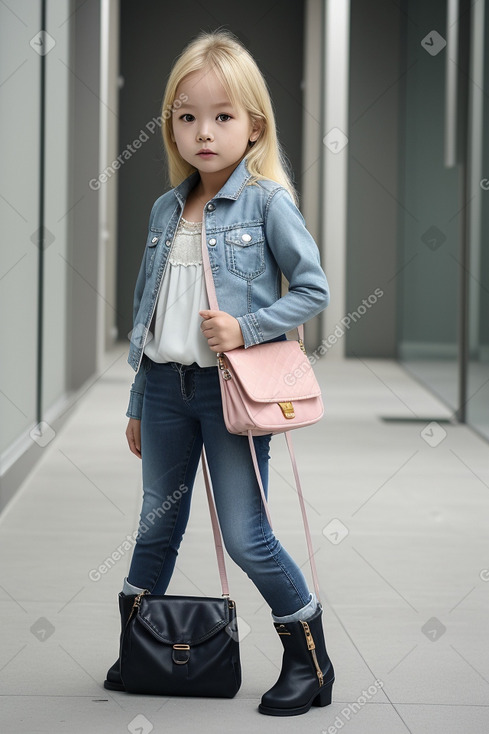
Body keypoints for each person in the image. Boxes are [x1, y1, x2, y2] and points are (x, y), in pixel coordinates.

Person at [104, 29, 334, 716]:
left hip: (229, 395)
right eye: (187, 116)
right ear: (170, 125)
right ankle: (138, 649)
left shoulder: (266, 203)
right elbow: (150, 317)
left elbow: (313, 290)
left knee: (244, 534)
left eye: (222, 116)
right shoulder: (165, 210)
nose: (203, 132)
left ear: (254, 124)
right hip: (167, 393)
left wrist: (246, 328)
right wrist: (139, 400)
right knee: (154, 528)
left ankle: (309, 662)